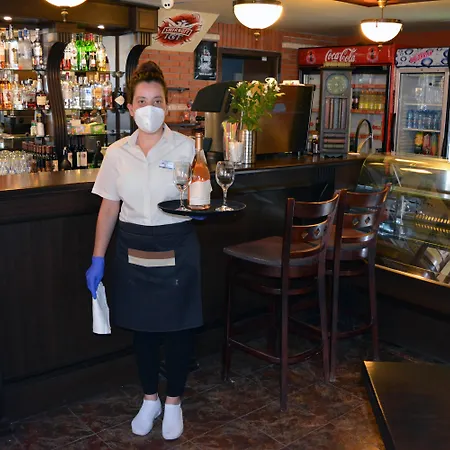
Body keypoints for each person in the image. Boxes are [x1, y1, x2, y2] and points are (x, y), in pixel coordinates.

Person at [85, 61, 203, 441]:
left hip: (177, 245)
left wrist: (201, 204)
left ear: (166, 105)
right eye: (141, 101)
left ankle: (174, 402)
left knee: (179, 330)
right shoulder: (116, 153)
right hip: (133, 247)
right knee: (144, 331)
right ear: (130, 106)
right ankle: (150, 399)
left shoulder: (186, 147)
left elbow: (199, 192)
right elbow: (109, 207)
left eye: (156, 101)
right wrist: (98, 258)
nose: (149, 108)